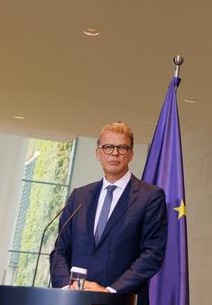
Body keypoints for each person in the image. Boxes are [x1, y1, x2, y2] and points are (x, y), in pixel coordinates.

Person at [51, 122, 167, 305]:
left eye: (122, 147)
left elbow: (152, 254)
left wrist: (110, 292)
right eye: (108, 147)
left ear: (130, 154)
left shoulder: (150, 197)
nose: (114, 153)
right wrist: (67, 289)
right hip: (74, 300)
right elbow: (60, 251)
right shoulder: (79, 197)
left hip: (123, 299)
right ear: (98, 153)